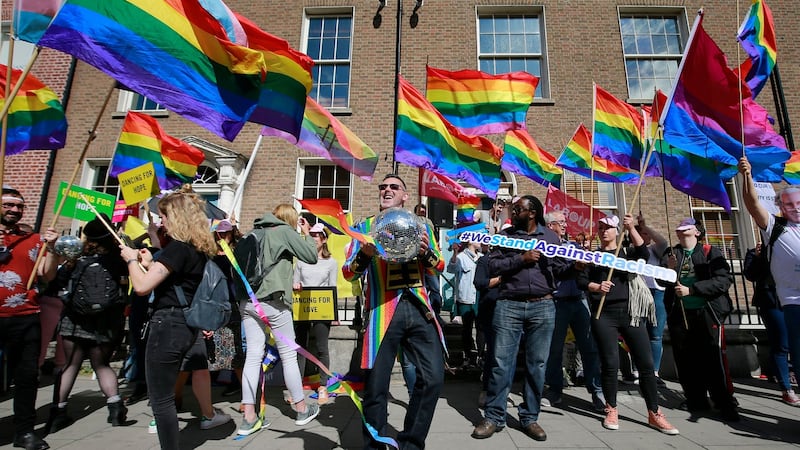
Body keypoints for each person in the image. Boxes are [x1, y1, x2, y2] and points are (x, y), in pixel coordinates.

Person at [343, 174, 445, 450]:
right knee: (375, 387)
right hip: (381, 313)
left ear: (405, 196)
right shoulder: (363, 227)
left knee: (433, 378)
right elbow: (348, 273)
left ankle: (411, 442)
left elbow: (439, 265)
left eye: (394, 187)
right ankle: (374, 445)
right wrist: (364, 254)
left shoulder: (422, 225)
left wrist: (426, 254)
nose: (387, 190)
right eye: (383, 187)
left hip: (419, 309)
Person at [119, 185, 218, 450]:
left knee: (160, 399)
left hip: (167, 325)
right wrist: (150, 264)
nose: (161, 222)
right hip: (185, 325)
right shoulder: (196, 249)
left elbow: (141, 287)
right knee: (166, 394)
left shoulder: (177, 248)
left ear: (176, 217)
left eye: (164, 217)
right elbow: (173, 280)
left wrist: (130, 261)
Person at [471, 195, 570, 442]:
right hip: (508, 306)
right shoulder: (505, 237)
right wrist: (521, 259)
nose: (513, 213)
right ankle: (494, 417)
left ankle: (530, 417)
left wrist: (575, 267)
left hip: (543, 306)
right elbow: (492, 265)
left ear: (533, 213)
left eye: (518, 209)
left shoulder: (550, 237)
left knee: (537, 364)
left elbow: (559, 270)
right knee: (500, 363)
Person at [577, 215, 678, 435]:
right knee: (610, 363)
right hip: (604, 314)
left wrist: (631, 228)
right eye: (600, 228)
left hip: (631, 314)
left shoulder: (627, 254)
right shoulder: (593, 256)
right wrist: (596, 286)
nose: (603, 231)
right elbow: (581, 281)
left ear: (616, 231)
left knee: (645, 363)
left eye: (608, 228)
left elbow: (643, 252)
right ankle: (611, 408)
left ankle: (654, 412)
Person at [237, 203, 319, 436]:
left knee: (253, 356)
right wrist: (306, 234)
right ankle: (301, 409)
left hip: (248, 301)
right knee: (288, 354)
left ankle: (249, 417)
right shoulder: (284, 232)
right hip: (274, 302)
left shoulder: (253, 233)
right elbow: (311, 256)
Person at [48, 214, 129, 432]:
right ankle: (115, 408)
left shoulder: (76, 259)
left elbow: (56, 284)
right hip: (106, 321)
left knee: (70, 365)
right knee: (101, 365)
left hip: (75, 320)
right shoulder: (119, 260)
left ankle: (58, 411)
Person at [660, 217, 738, 421]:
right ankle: (696, 399)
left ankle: (724, 402)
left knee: (713, 358)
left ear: (696, 232)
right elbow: (661, 280)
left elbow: (723, 280)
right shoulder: (672, 253)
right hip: (681, 314)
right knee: (685, 359)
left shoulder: (710, 252)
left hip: (706, 312)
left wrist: (692, 289)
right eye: (679, 228)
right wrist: (668, 269)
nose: (681, 229)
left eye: (687, 227)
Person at [0, 187, 59, 450]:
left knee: (26, 376)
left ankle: (24, 431)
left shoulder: (35, 239)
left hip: (25, 316)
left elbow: (48, 275)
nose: (14, 210)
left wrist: (53, 248)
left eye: (19, 206)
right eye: (8, 205)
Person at [740, 156, 800, 407]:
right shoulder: (775, 227)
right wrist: (747, 175)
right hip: (793, 301)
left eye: (799, 203)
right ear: (781, 207)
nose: (795, 207)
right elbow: (753, 204)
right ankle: (788, 389)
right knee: (793, 351)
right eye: (789, 204)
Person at [541, 210, 605, 412]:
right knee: (554, 349)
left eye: (565, 221)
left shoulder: (575, 247)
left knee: (589, 346)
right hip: (557, 302)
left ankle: (597, 391)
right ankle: (555, 390)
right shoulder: (546, 249)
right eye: (560, 222)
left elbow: (586, 273)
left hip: (579, 300)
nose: (565, 225)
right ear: (550, 226)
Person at [743, 242, 800, 406]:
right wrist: (760, 258)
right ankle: (786, 389)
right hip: (772, 302)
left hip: (794, 299)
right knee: (781, 344)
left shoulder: (791, 248)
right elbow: (751, 275)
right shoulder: (755, 253)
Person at [293, 222, 338, 405]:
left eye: (316, 235)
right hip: (303, 307)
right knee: (300, 348)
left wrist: (334, 314)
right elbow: (295, 282)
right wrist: (295, 286)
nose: (312, 238)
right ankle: (295, 387)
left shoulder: (331, 262)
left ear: (324, 239)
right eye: (310, 234)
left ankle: (322, 386)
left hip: (322, 309)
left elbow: (332, 287)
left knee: (321, 348)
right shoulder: (301, 260)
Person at [635, 214, 668, 385]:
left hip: (656, 293)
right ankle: (637, 370)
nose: (644, 236)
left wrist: (645, 226)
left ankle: (654, 372)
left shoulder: (655, 250)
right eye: (640, 233)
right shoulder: (631, 251)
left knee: (655, 335)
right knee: (636, 333)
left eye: (645, 234)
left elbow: (663, 242)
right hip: (637, 295)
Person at [447, 240, 481, 368]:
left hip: (479, 297)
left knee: (480, 328)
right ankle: (467, 356)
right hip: (466, 297)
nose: (480, 241)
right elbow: (451, 268)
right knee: (467, 329)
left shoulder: (482, 257)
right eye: (477, 239)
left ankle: (480, 355)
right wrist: (455, 252)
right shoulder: (461, 257)